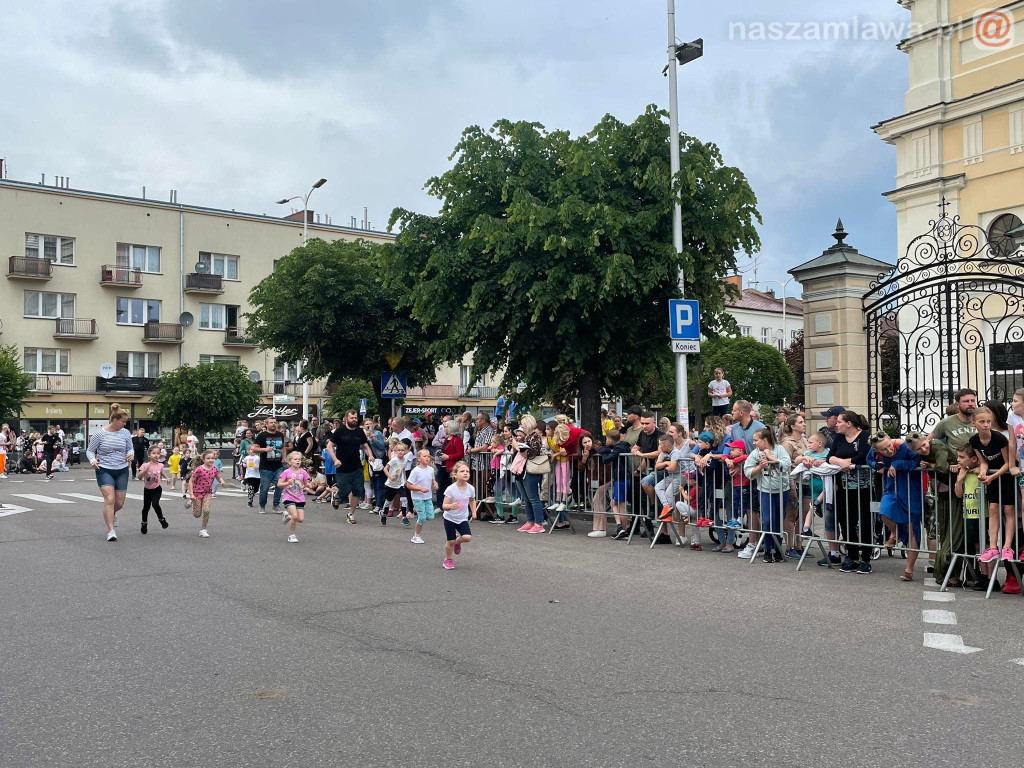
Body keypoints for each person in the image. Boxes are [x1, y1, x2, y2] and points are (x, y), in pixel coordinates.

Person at [867, 432, 923, 582]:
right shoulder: (874, 448)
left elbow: (916, 461)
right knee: (884, 512)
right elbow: (869, 459)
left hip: (910, 489)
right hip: (891, 487)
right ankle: (895, 532)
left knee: (912, 528)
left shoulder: (904, 447)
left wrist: (896, 464)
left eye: (889, 446)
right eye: (883, 450)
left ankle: (909, 569)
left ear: (890, 440)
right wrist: (876, 465)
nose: (888, 450)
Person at [828, 410, 874, 574]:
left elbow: (862, 457)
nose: (836, 424)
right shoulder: (839, 438)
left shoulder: (865, 436)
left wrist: (846, 462)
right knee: (846, 521)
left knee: (865, 522)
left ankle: (866, 558)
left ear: (849, 424)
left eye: (839, 421)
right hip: (843, 487)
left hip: (864, 487)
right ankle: (852, 556)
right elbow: (830, 457)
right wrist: (841, 462)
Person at [971, 406, 1017, 565]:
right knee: (993, 508)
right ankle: (992, 547)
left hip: (1005, 475)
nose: (986, 424)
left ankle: (1007, 547)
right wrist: (983, 473)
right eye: (982, 422)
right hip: (992, 477)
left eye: (988, 421)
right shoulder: (974, 441)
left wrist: (992, 476)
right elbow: (983, 461)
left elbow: (1008, 463)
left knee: (1008, 510)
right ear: (974, 423)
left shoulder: (999, 438)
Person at [744, 427, 792, 563]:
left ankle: (778, 549)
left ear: (765, 440)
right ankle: (767, 548)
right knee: (768, 520)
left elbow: (787, 464)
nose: (754, 443)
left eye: (756, 440)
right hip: (765, 491)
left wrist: (771, 458)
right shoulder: (755, 453)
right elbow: (748, 471)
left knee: (779, 520)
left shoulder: (779, 449)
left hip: (782, 490)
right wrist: (760, 466)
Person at [87, 404, 134, 542]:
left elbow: (130, 448)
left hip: (122, 469)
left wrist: (131, 454)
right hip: (104, 469)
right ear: (114, 420)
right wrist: (92, 460)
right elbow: (90, 450)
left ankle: (112, 514)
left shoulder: (125, 433)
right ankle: (111, 531)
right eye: (123, 421)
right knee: (110, 499)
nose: (124, 424)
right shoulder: (99, 434)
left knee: (119, 503)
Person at [326, 410, 375, 525]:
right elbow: (329, 446)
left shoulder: (359, 432)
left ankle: (351, 514)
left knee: (357, 490)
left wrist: (370, 455)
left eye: (355, 418)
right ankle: (337, 495)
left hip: (357, 466)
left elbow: (365, 446)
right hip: (342, 466)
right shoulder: (340, 431)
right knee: (344, 490)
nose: (354, 420)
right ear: (346, 419)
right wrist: (335, 459)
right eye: (352, 418)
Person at [779, 413, 809, 559]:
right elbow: (785, 466)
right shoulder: (787, 443)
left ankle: (799, 545)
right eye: (801, 422)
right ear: (792, 426)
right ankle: (789, 546)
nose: (804, 424)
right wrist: (791, 487)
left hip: (806, 481)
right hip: (794, 481)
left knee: (804, 514)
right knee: (792, 515)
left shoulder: (804, 440)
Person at [441, 460, 476, 570]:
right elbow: (444, 505)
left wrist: (474, 512)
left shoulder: (471, 488)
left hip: (462, 518)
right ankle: (448, 559)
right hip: (450, 518)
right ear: (455, 475)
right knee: (450, 541)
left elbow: (472, 500)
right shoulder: (451, 489)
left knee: (467, 537)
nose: (465, 473)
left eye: (467, 471)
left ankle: (458, 542)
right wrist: (450, 506)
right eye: (462, 471)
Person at [598, 429, 633, 540]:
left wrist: (604, 452)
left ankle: (622, 529)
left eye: (607, 438)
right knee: (616, 503)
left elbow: (606, 459)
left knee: (619, 505)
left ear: (610, 439)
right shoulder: (622, 446)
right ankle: (621, 528)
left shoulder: (618, 449)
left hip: (621, 478)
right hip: (621, 478)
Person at [517, 414, 548, 534]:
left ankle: (538, 523)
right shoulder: (527, 437)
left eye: (523, 424)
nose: (522, 427)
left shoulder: (535, 437)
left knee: (533, 497)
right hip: (524, 469)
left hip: (531, 469)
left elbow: (531, 454)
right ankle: (530, 521)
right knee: (527, 498)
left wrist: (519, 448)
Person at [186, 450, 222, 539]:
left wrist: (222, 481)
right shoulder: (199, 469)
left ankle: (203, 529)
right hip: (197, 493)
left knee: (206, 510)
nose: (211, 460)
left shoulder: (214, 469)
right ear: (203, 459)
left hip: (207, 493)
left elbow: (218, 477)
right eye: (208, 458)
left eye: (212, 458)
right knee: (197, 514)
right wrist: (191, 494)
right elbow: (191, 481)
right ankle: (192, 501)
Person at [254, 418, 286, 513]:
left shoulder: (280, 434)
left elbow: (283, 447)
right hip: (265, 466)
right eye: (271, 423)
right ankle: (262, 506)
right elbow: (254, 449)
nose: (273, 424)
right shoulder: (262, 436)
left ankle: (276, 505)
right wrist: (265, 449)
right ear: (266, 424)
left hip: (278, 465)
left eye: (275, 422)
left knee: (279, 486)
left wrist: (284, 457)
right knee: (265, 488)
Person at [279, 451, 312, 543]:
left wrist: (308, 485)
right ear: (290, 462)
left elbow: (306, 482)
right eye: (295, 459)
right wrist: (287, 483)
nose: (298, 461)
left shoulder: (303, 472)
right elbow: (279, 484)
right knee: (295, 516)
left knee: (300, 519)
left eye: (299, 459)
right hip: (288, 497)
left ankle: (287, 516)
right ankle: (292, 535)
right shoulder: (286, 472)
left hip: (300, 497)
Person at [136, 445, 169, 534]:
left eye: (158, 453)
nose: (156, 455)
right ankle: (144, 523)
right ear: (149, 454)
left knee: (155, 504)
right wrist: (146, 469)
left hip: (157, 489)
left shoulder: (160, 465)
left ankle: (161, 519)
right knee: (146, 508)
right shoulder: (144, 465)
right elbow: (139, 477)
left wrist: (167, 477)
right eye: (153, 453)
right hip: (147, 490)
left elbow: (161, 471)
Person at [407, 449, 438, 544]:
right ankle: (416, 536)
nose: (427, 458)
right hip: (417, 497)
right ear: (419, 459)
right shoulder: (415, 471)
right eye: (424, 456)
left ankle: (420, 517)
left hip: (427, 496)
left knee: (431, 516)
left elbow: (432, 480)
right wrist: (420, 489)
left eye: (428, 456)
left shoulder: (431, 470)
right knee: (422, 518)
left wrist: (435, 483)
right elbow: (409, 485)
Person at [437, 419, 465, 510]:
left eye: (446, 427)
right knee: (441, 485)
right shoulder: (447, 439)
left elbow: (460, 454)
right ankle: (441, 505)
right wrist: (441, 453)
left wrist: (448, 457)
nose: (444, 429)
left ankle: (450, 505)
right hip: (443, 464)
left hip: (451, 466)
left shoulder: (457, 440)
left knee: (449, 485)